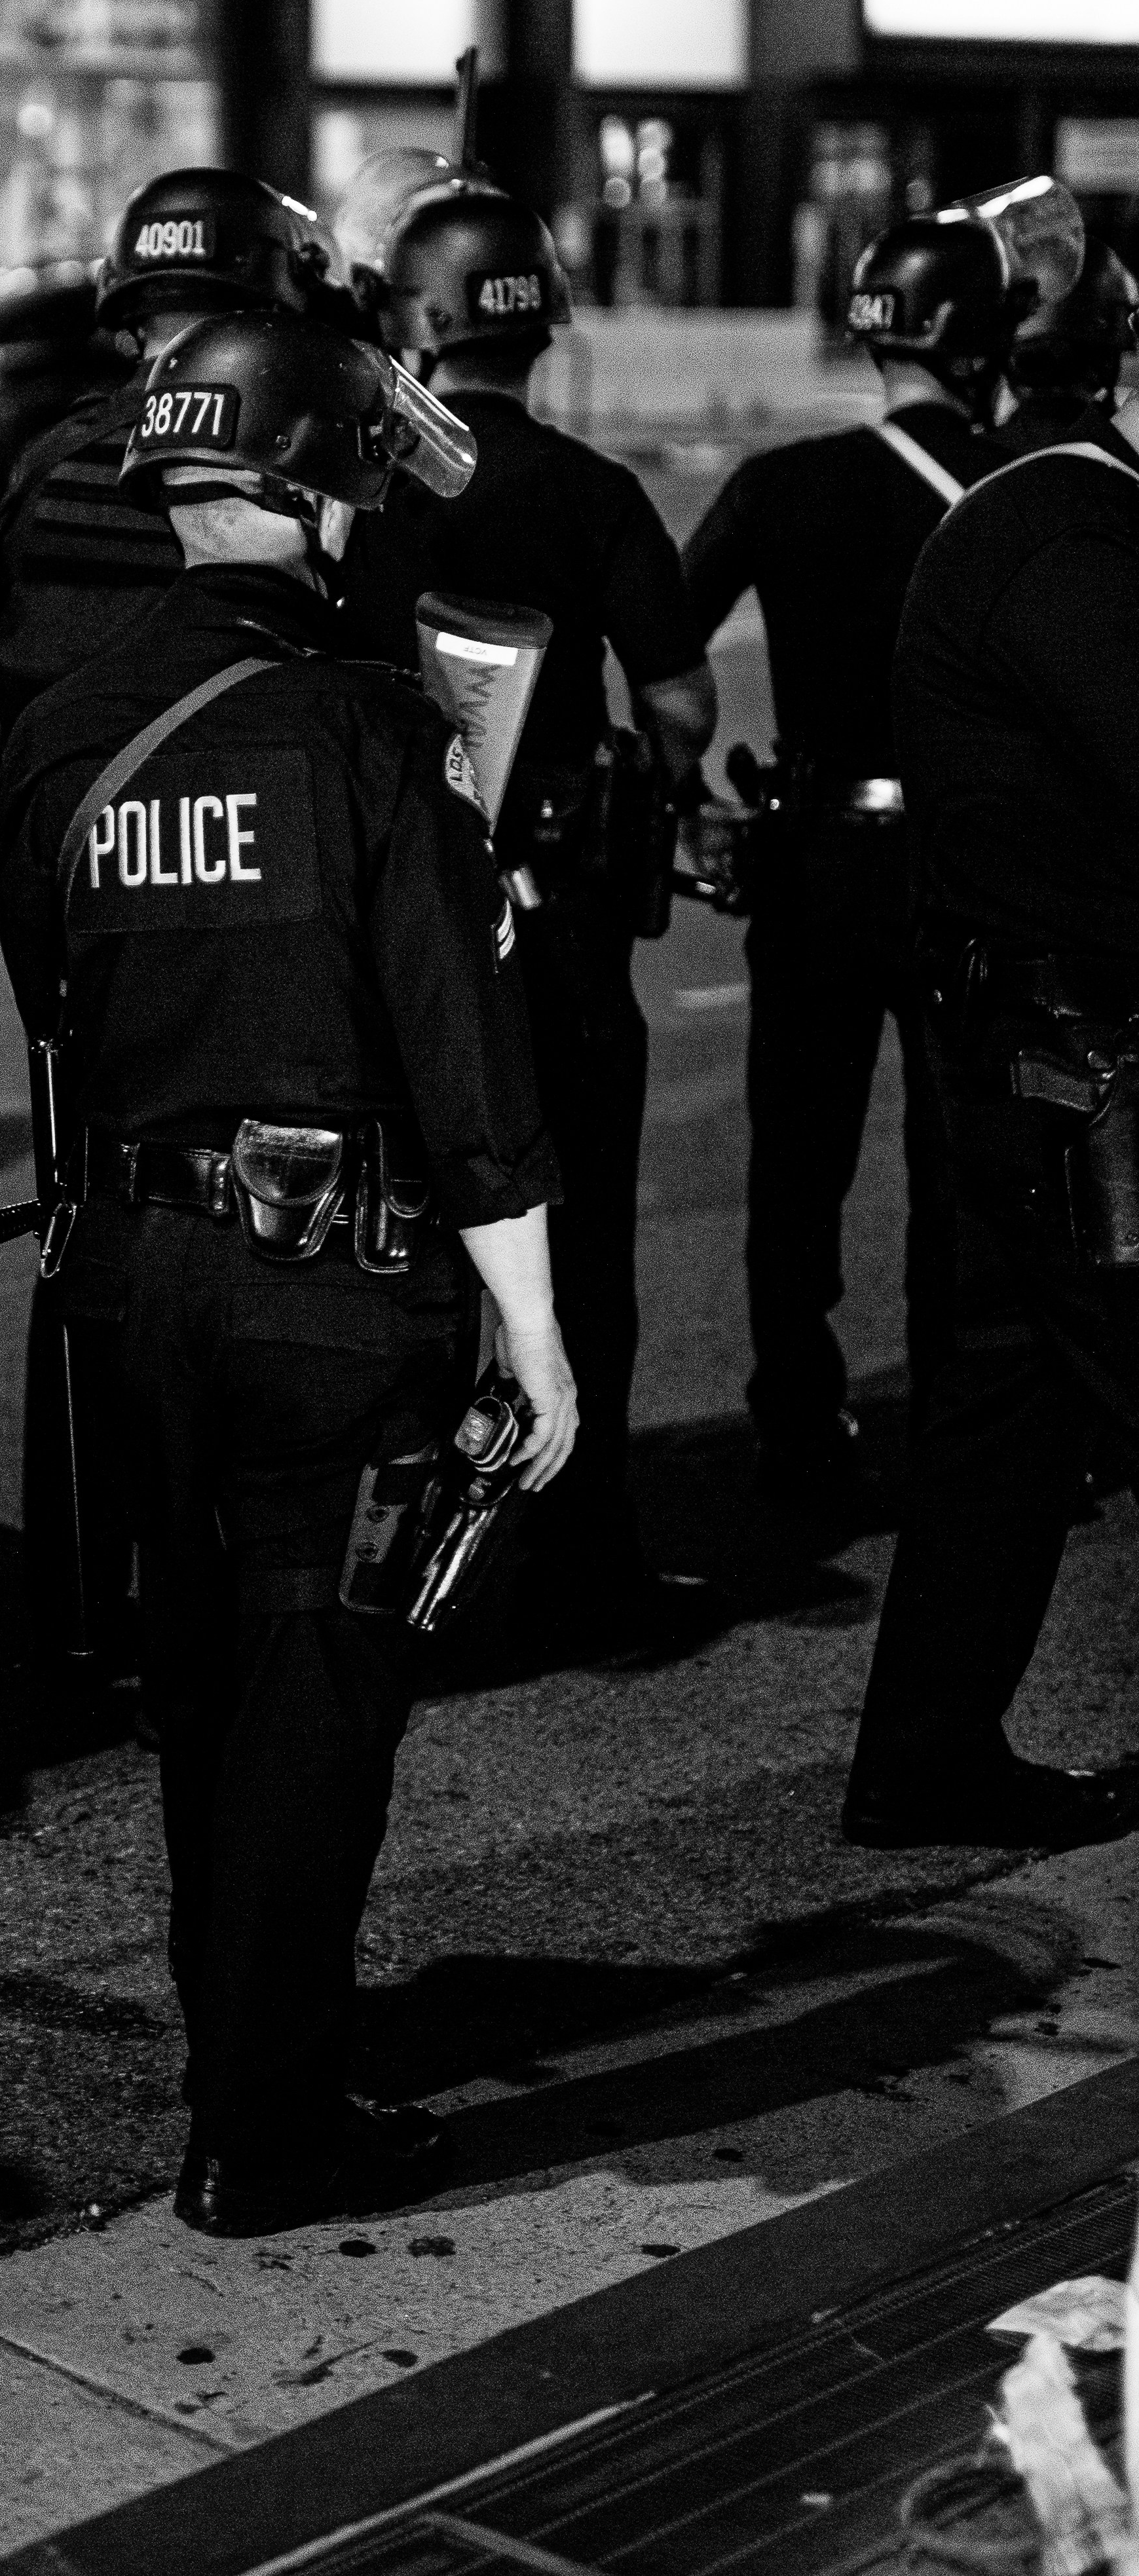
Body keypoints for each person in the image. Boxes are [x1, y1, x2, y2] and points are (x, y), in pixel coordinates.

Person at [0, 307, 574, 2236]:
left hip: (133, 1287)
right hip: (327, 1295)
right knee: (317, 1709)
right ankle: (269, 2124)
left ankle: (243, 2067)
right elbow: (468, 1071)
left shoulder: (66, 728)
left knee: (199, 1693)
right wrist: (542, 1341)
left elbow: (55, 1006)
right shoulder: (363, 720)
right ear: (320, 479)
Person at [0, 168, 367, 1662]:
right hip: (270, 932)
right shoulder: (285, 453)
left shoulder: (59, 460)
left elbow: (9, 685)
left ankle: (96, 1600)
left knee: (92, 1244)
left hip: (83, 912)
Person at [339, 174, 715, 1653]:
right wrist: (638, 767)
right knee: (579, 1248)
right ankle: (580, 1561)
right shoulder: (590, 488)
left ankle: (404, 1570)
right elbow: (675, 696)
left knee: (412, 1239)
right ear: (538, 323)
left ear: (406, 316)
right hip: (552, 917)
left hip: (392, 918)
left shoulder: (362, 488)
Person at [846, 182, 1139, 1850]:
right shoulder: (1062, 528)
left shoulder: (1042, 514)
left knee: (998, 1414)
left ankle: (922, 1759)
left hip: (1018, 1045)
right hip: (1073, 1057)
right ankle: (923, 1756)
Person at [680, 206, 1014, 1516]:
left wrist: (687, 794)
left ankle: (798, 1424)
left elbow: (660, 643)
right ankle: (955, 1422)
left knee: (794, 1162)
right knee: (958, 1164)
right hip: (955, 862)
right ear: (977, 337)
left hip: (813, 850)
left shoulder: (783, 483)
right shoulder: (1014, 485)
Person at [0, 168, 364, 741]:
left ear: (124, 298)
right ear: (282, 297)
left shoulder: (49, 459)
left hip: (61, 814)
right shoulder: (296, 459)